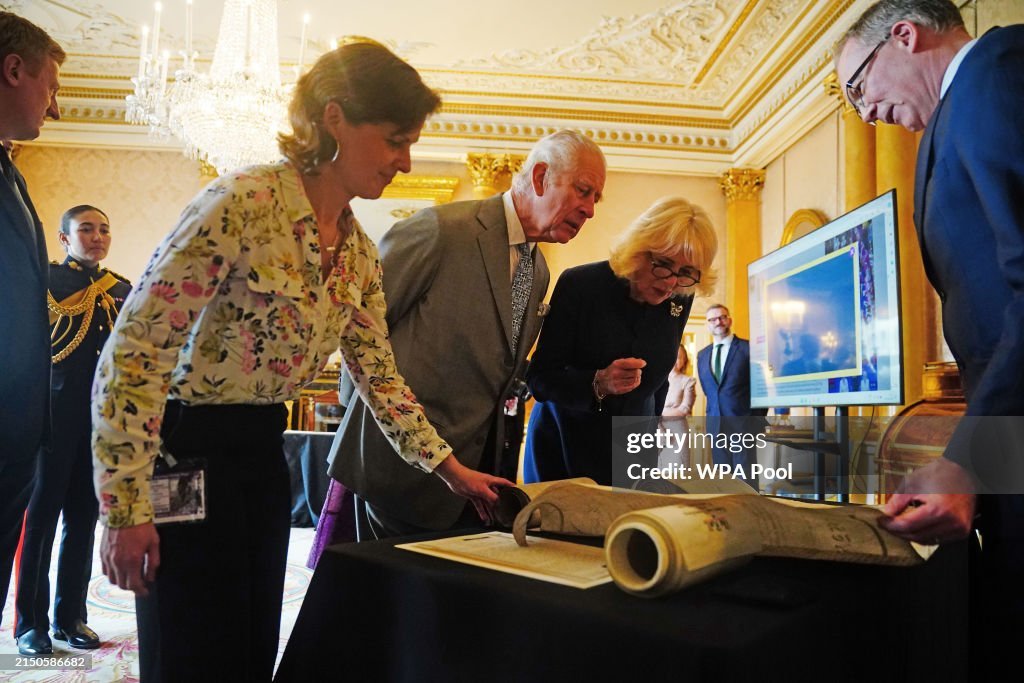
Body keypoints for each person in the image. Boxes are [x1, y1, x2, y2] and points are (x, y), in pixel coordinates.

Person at [91, 41, 506, 682]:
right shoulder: (239, 203)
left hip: (262, 453)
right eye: (396, 139)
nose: (406, 159)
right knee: (189, 643)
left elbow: (379, 376)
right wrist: (124, 509)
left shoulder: (360, 252)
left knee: (251, 642)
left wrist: (450, 470)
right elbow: (135, 353)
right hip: (183, 449)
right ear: (334, 117)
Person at [834, 0, 1024, 672]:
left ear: (905, 36)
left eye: (858, 87)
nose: (864, 112)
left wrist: (969, 454)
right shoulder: (958, 111)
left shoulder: (999, 72)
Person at [328, 129, 606, 539]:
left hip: (475, 487)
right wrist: (365, 433)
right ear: (541, 176)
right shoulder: (440, 231)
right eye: (583, 191)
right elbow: (361, 332)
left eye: (595, 200)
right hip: (398, 475)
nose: (590, 211)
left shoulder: (540, 271)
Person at [524, 196, 717, 485]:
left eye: (687, 273)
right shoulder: (582, 284)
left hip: (632, 450)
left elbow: (659, 381)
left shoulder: (678, 297)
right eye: (662, 264)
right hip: (565, 444)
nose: (670, 282)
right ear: (639, 250)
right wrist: (597, 383)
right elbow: (540, 379)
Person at [14, 206, 130, 656]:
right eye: (86, 229)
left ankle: (70, 617)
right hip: (48, 421)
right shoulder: (42, 282)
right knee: (39, 523)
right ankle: (30, 625)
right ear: (65, 238)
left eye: (104, 228)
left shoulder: (120, 289)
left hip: (97, 425)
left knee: (83, 521)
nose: (97, 236)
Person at [0, 11, 64, 627]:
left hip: (16, 434)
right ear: (13, 69)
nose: (56, 106)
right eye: (51, 87)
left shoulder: (9, 172)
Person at [697, 304, 768, 489]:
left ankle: (751, 514)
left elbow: (761, 389)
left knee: (746, 477)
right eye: (712, 319)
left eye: (722, 317)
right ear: (708, 325)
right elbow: (709, 391)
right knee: (722, 478)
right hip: (716, 425)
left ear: (729, 320)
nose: (718, 322)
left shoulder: (748, 349)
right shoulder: (702, 355)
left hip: (744, 425)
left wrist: (754, 420)